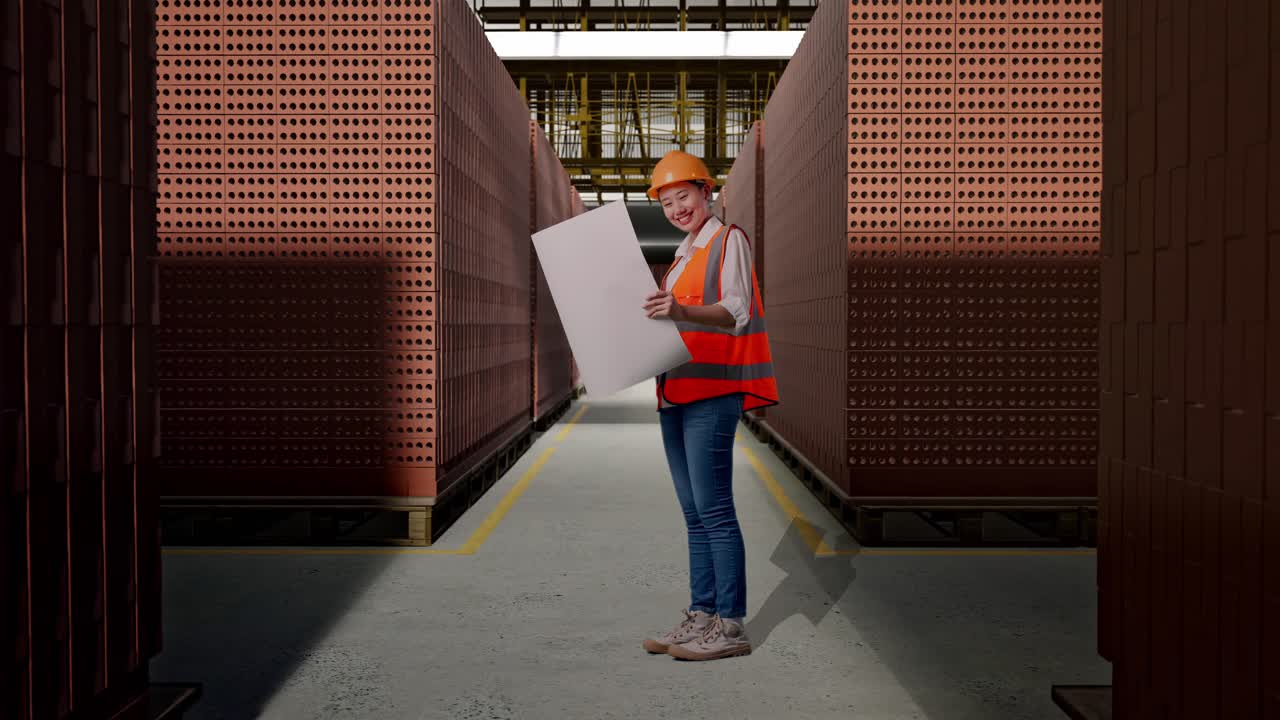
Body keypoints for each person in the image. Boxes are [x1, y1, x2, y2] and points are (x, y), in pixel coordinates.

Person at [639, 150, 780, 661]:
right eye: (667, 202)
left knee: (715, 510)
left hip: (712, 392)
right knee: (694, 512)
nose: (676, 208)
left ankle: (730, 626)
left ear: (706, 192)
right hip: (676, 391)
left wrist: (679, 309)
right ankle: (701, 614)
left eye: (684, 196)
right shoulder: (682, 256)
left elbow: (736, 312)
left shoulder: (728, 240)